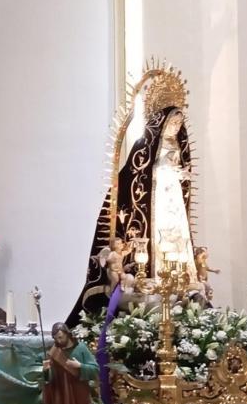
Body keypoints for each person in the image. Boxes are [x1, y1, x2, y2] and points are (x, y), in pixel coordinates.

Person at [67, 106, 195, 326]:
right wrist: (161, 174)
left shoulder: (178, 149)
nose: (176, 128)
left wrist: (179, 175)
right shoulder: (143, 149)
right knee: (157, 237)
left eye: (179, 124)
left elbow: (183, 174)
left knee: (176, 238)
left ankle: (181, 280)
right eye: (172, 123)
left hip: (172, 201)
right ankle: (150, 278)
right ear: (160, 123)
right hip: (156, 201)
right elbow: (135, 179)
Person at [42, 323, 98, 404]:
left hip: (78, 392)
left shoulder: (81, 348)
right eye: (55, 338)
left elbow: (95, 370)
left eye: (61, 337)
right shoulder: (55, 351)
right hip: (60, 394)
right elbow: (49, 379)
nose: (59, 341)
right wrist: (46, 370)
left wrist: (80, 366)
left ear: (67, 334)